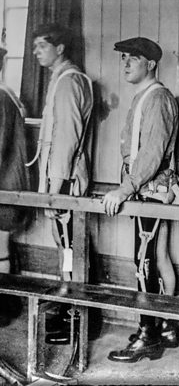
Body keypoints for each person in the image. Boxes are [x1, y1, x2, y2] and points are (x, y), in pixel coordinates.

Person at [104, 37, 179, 363]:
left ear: (151, 63)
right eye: (124, 57)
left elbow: (152, 153)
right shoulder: (146, 97)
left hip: (150, 190)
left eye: (133, 58)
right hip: (146, 189)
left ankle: (147, 334)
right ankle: (164, 326)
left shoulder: (159, 98)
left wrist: (126, 188)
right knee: (158, 255)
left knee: (145, 260)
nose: (125, 63)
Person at [29, 24, 93, 344]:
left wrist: (55, 190)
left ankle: (74, 315)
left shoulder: (69, 82)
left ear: (61, 48)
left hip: (65, 181)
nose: (36, 51)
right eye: (35, 46)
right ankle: (68, 305)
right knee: (64, 246)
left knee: (68, 246)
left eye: (42, 45)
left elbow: (66, 139)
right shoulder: (62, 79)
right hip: (60, 178)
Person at [0, 46, 30, 327]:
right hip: (8, 184)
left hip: (5, 187)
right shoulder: (6, 94)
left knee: (0, 248)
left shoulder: (1, 97)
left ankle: (5, 308)